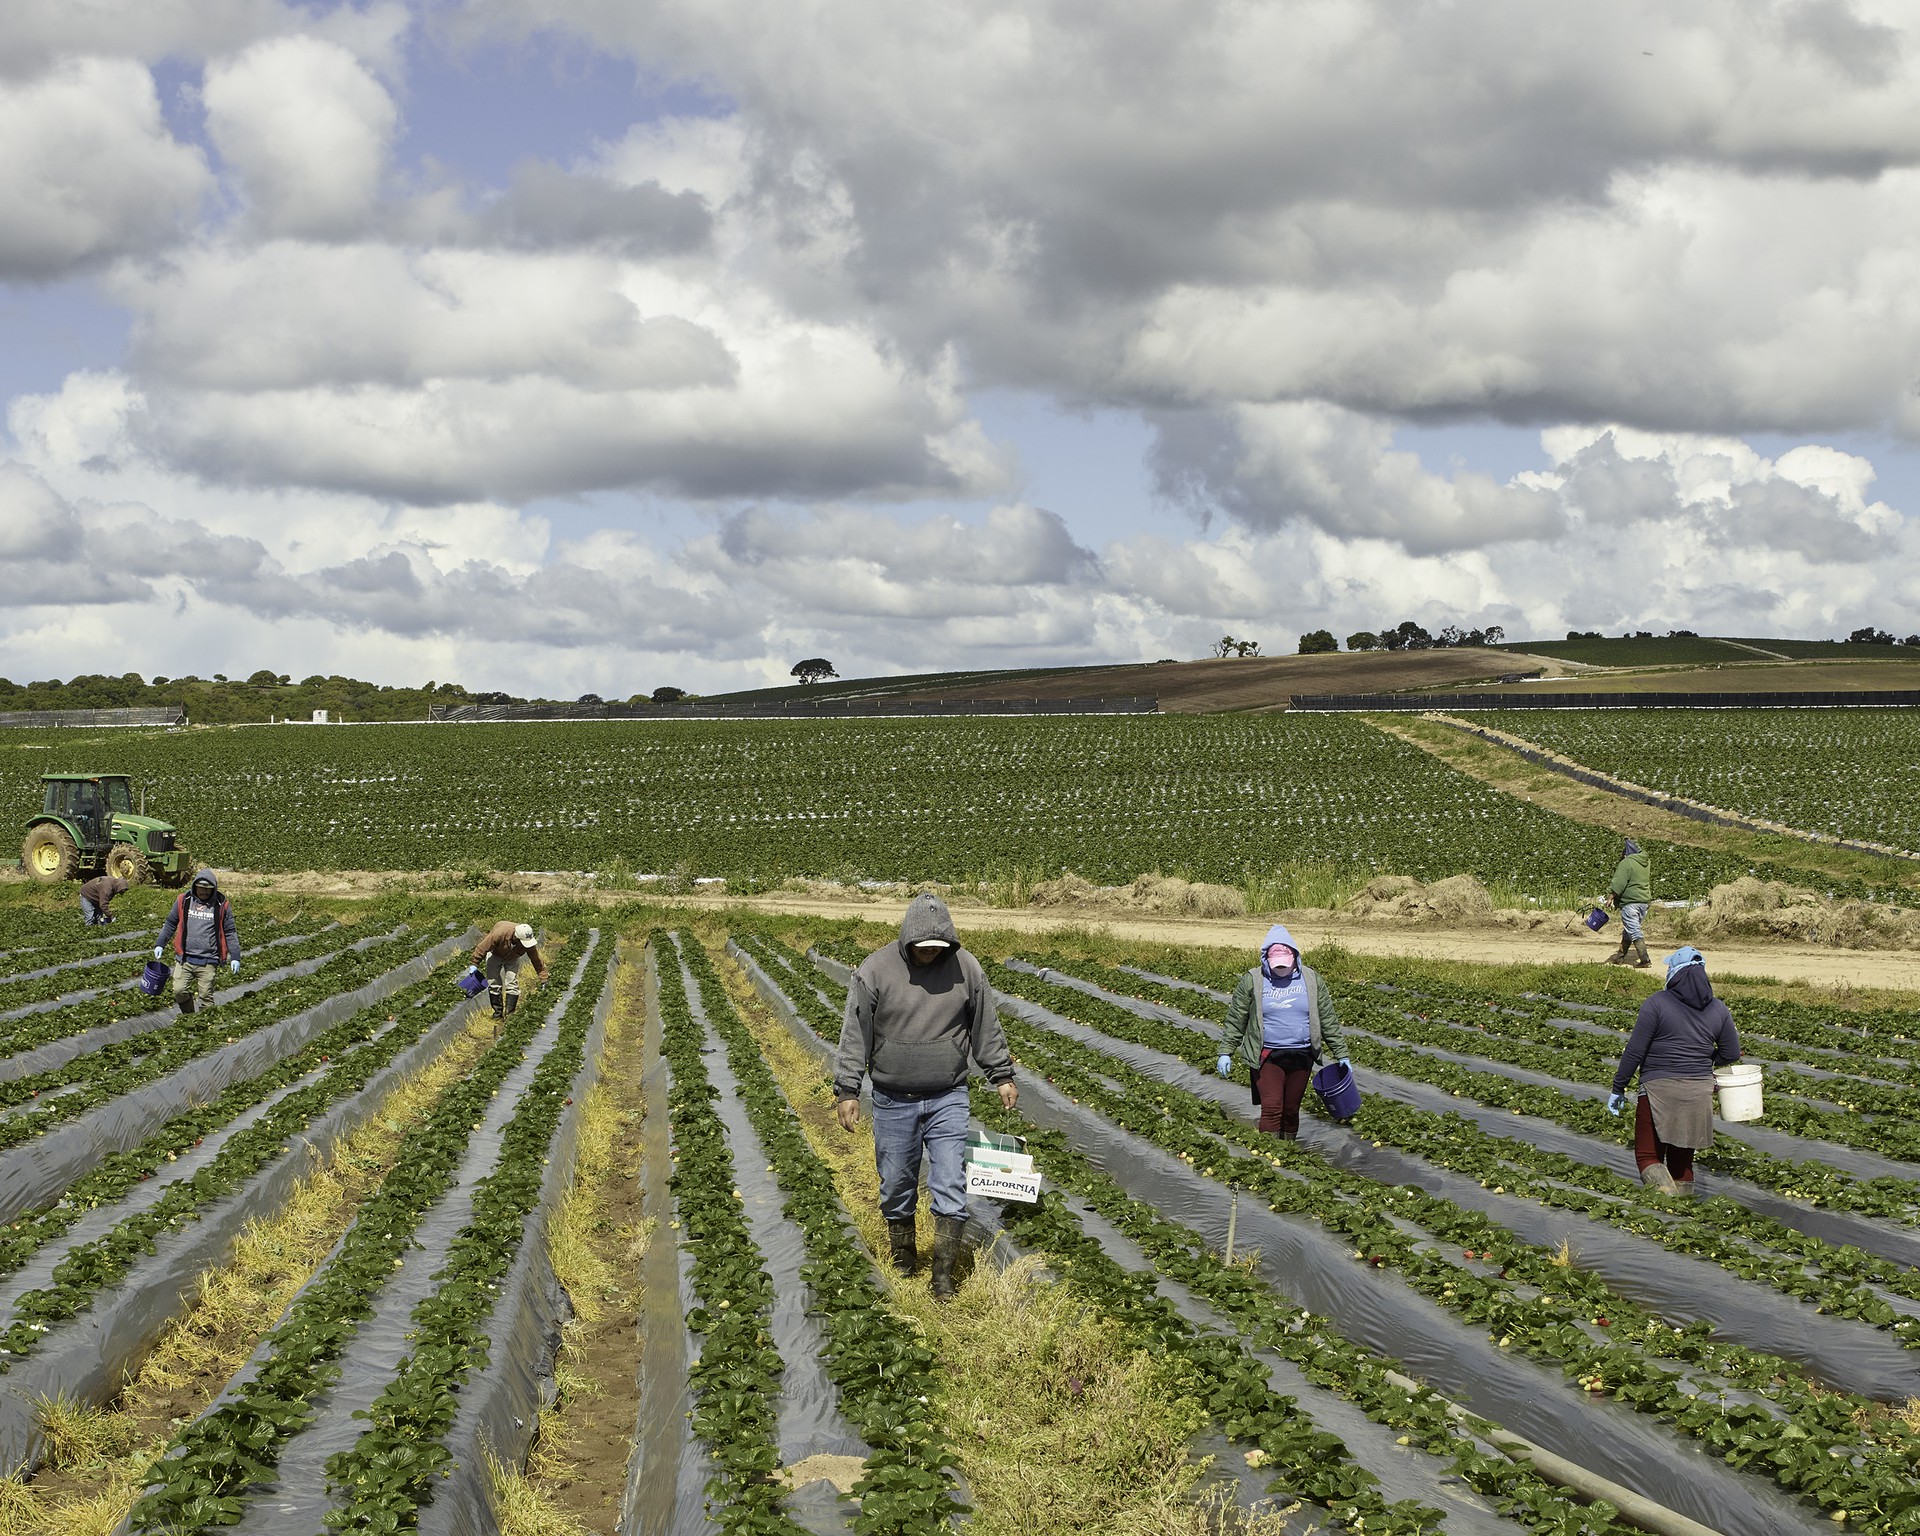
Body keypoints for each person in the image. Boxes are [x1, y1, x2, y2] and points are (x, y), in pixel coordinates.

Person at [833, 893, 1018, 1299]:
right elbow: (855, 1033)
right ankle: (903, 1259)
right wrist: (848, 1088)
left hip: (947, 1095)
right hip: (892, 1097)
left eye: (939, 946)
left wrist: (1001, 1074)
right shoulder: (876, 969)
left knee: (950, 1181)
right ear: (908, 940)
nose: (932, 953)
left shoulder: (966, 968)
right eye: (924, 947)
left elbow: (985, 1026)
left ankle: (943, 1275)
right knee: (897, 1182)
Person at [1607, 946, 1741, 1193]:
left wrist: (1618, 1087)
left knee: (1648, 1156)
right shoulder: (1718, 1009)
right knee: (1682, 1163)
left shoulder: (1657, 1003)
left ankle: (1665, 1207)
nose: (1667, 971)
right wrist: (1705, 1058)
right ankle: (1684, 1217)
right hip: (1698, 1093)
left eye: (1669, 968)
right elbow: (1731, 1054)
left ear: (1677, 973)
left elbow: (1635, 1051)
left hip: (1658, 1090)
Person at [1216, 924, 1350, 1139]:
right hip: (1267, 1055)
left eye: (1284, 965)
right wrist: (1225, 1051)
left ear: (1295, 957)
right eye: (1275, 965)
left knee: (1291, 1110)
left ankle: (1286, 1155)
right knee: (1272, 1107)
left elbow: (1327, 1018)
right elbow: (1237, 1018)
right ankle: (1269, 1157)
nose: (1280, 969)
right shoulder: (1253, 980)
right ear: (1265, 959)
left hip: (1302, 1054)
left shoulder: (1311, 980)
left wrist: (1341, 1053)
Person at [155, 869, 240, 1014]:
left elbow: (230, 932)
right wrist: (160, 943)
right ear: (195, 886)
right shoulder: (184, 900)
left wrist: (235, 956)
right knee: (179, 990)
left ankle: (206, 1026)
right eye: (201, 889)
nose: (204, 892)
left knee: (206, 996)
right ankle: (190, 1017)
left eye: (208, 890)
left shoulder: (221, 905)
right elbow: (170, 923)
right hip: (185, 958)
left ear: (213, 889)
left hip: (209, 960)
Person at [469, 921, 548, 1018]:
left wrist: (543, 978)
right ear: (516, 937)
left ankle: (510, 1014)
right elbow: (482, 947)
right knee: (493, 982)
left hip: (513, 958)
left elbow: (536, 959)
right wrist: (475, 963)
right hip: (495, 954)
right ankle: (498, 1013)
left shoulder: (528, 942)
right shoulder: (499, 934)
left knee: (512, 982)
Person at [1605, 837, 1652, 967]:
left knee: (1634, 931)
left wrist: (1610, 898)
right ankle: (1620, 957)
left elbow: (1619, 883)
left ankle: (1645, 960)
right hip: (1644, 902)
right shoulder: (1645, 862)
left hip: (1630, 902)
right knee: (1629, 930)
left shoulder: (1627, 863)